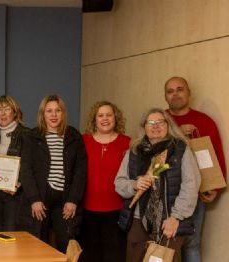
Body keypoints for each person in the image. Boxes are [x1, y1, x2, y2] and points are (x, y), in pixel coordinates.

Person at [115, 108, 200, 262]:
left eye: (160, 122)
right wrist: (135, 184)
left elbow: (191, 185)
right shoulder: (133, 152)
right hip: (138, 221)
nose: (155, 126)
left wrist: (175, 217)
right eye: (151, 123)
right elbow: (119, 184)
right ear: (144, 127)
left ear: (168, 125)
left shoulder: (180, 149)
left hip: (170, 220)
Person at [163, 76, 226, 262]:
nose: (175, 94)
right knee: (163, 243)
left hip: (194, 194)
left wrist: (216, 187)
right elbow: (150, 156)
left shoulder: (204, 121)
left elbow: (217, 156)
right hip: (162, 193)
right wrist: (178, 133)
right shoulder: (159, 120)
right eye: (170, 91)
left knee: (191, 244)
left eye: (180, 89)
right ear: (165, 97)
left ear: (189, 93)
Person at [19, 94, 86, 252]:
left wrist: (73, 200)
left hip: (65, 199)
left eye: (58, 110)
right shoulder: (32, 137)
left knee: (66, 244)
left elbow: (80, 171)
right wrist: (34, 199)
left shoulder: (73, 136)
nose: (54, 115)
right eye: (49, 111)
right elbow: (26, 170)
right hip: (40, 198)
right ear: (43, 114)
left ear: (63, 113)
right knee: (37, 245)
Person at [78, 101, 130, 262]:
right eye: (100, 115)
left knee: (114, 256)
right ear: (94, 119)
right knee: (89, 257)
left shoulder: (127, 142)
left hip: (117, 210)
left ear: (116, 118)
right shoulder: (83, 141)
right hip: (87, 211)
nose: (105, 119)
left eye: (109, 115)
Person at [0, 95, 30, 232]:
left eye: (7, 109)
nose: (3, 113)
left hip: (14, 194)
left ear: (15, 113)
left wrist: (20, 182)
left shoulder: (26, 134)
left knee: (10, 234)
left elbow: (31, 164)